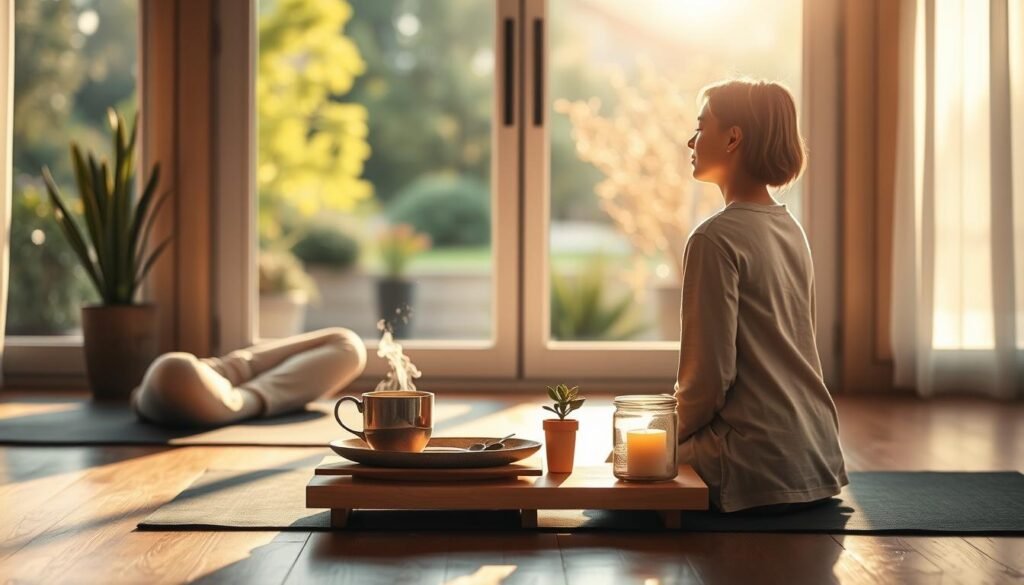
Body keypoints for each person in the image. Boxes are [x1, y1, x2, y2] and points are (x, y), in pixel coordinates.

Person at [675, 79, 848, 513]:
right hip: (816, 456)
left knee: (621, 465)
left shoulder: (714, 239)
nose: (690, 140)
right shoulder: (791, 228)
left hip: (753, 461)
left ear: (733, 138)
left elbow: (708, 382)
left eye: (701, 127)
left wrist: (659, 435)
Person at [131, 328, 367, 428]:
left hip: (222, 385)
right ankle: (251, 394)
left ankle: (246, 389)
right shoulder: (178, 377)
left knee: (349, 345)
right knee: (175, 371)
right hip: (231, 394)